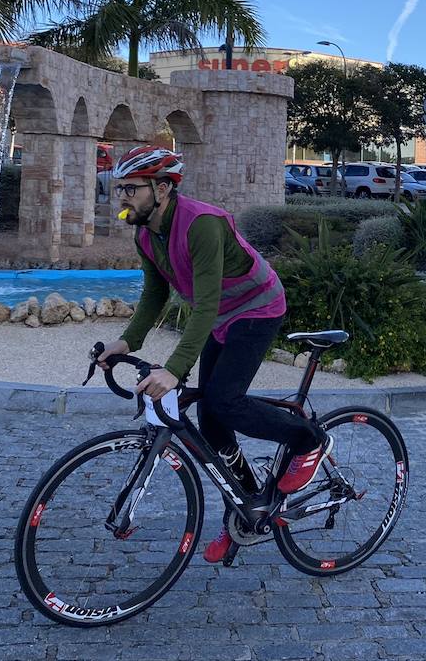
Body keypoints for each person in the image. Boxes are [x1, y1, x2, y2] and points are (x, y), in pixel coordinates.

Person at [95, 145, 329, 564]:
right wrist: (127, 343)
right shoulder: (146, 232)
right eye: (120, 190)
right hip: (221, 316)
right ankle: (246, 507)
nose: (123, 198)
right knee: (211, 423)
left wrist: (173, 370)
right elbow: (155, 293)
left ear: (162, 188)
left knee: (225, 400)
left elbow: (203, 304)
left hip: (257, 307)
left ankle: (309, 439)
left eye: (131, 188)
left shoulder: (200, 224)